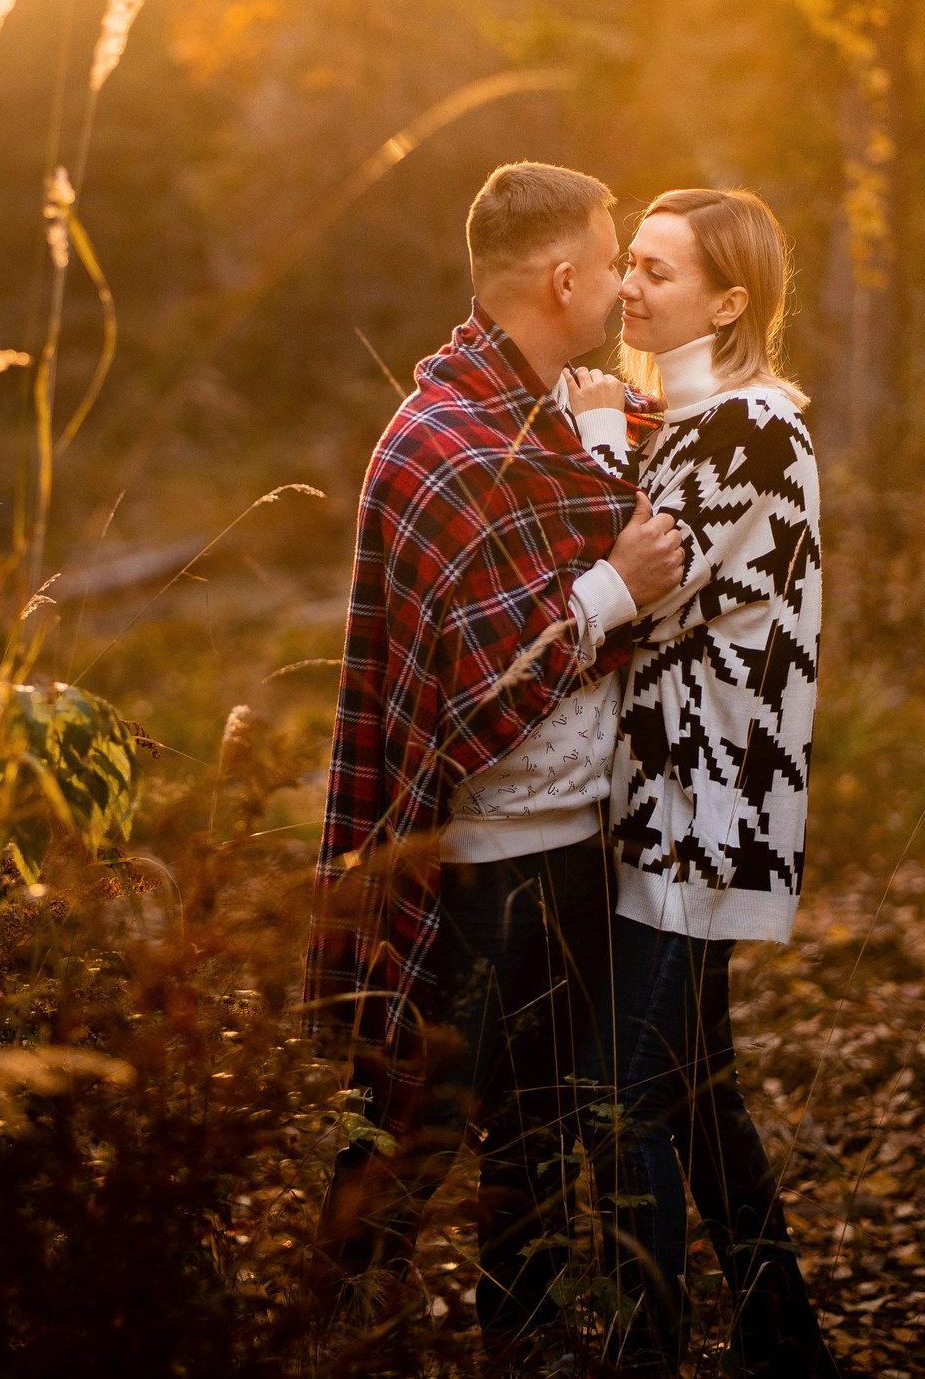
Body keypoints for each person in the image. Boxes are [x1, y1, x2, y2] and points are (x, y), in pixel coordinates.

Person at [307, 162, 688, 1357]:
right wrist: (610, 589)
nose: (626, 282)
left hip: (574, 857)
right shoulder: (435, 442)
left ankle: (520, 1349)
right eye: (614, 258)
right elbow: (477, 682)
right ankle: (320, 1341)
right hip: (471, 877)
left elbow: (635, 505)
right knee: (402, 1151)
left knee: (530, 1168)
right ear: (562, 277)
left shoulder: (562, 417)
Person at [589, 187, 839, 1376]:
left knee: (629, 1095)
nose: (628, 286)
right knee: (693, 1089)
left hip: (707, 802)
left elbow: (641, 584)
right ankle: (783, 1338)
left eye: (659, 273)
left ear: (729, 301)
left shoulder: (749, 427)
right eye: (627, 262)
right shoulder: (682, 418)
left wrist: (595, 442)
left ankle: (645, 1350)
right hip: (664, 798)